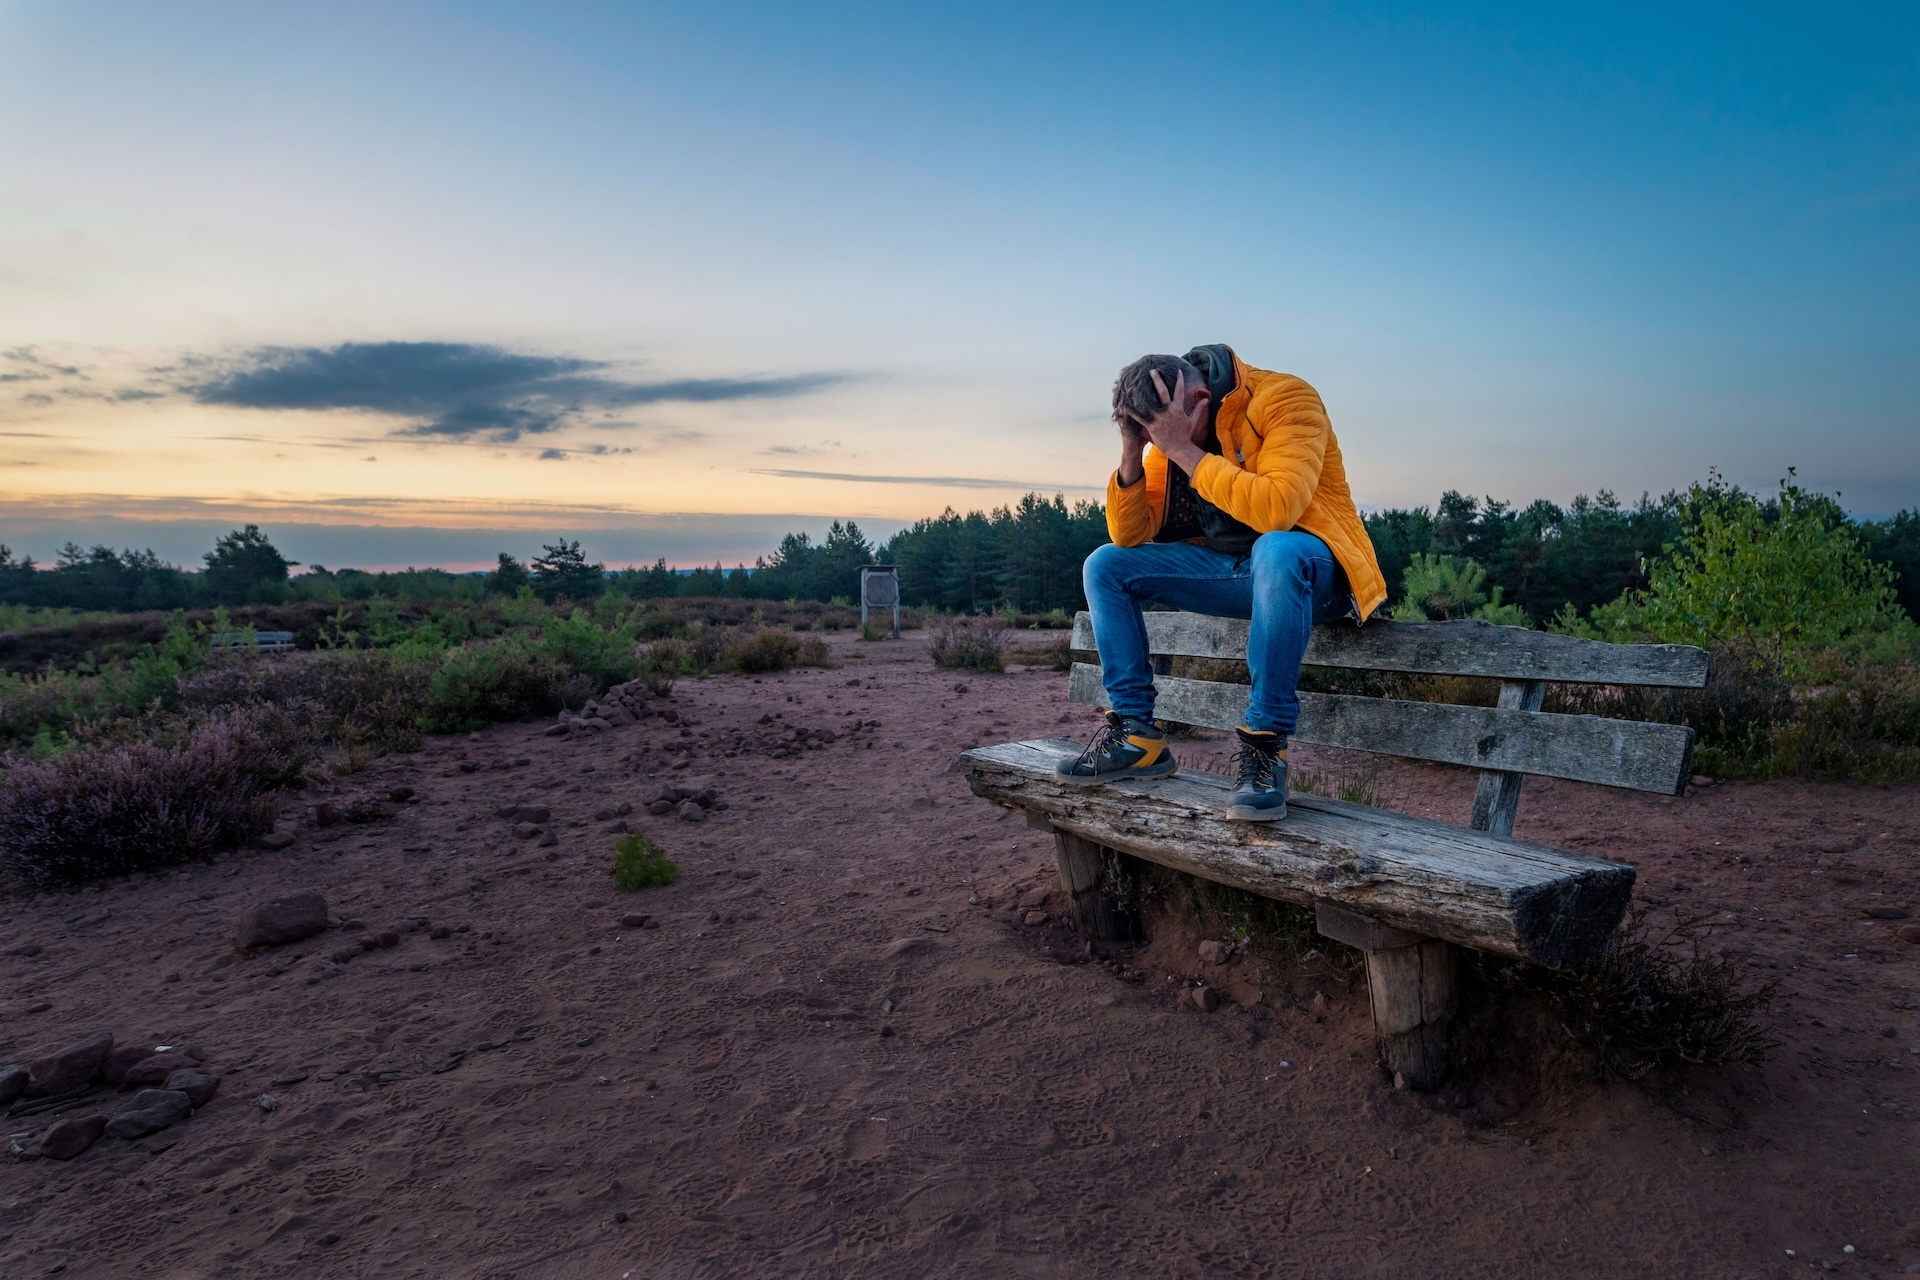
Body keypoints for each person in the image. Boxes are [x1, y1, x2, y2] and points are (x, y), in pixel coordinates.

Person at [1057, 344, 1387, 821]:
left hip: (1319, 573)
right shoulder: (1170, 428)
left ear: (1201, 397)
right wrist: (1134, 448)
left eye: (1163, 432)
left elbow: (1279, 509)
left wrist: (1182, 450)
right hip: (1238, 575)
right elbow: (1129, 534)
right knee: (1105, 565)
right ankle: (1137, 737)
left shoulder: (1285, 398)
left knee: (1274, 549)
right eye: (1150, 433)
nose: (1162, 444)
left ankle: (1265, 748)